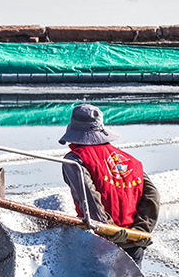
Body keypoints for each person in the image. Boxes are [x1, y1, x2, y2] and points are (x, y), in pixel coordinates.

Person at [59, 104, 158, 267]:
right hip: (133, 243)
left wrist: (109, 231)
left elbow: (88, 199)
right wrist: (141, 230)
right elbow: (152, 195)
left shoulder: (76, 160)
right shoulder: (130, 160)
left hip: (100, 243)